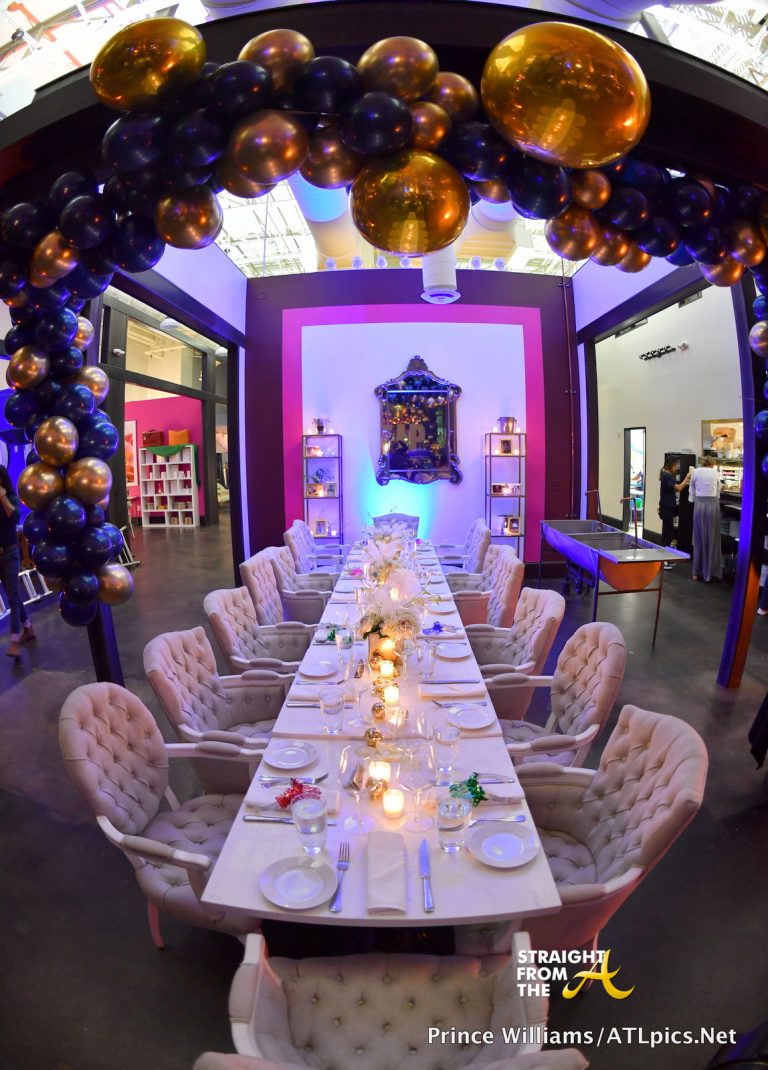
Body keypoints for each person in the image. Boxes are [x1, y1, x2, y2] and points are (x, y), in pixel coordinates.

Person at [0, 465, 35, 658]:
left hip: (11, 553)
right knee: (11, 594)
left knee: (13, 595)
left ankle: (14, 640)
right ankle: (28, 628)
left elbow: (14, 517)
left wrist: (2, 497)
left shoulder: (11, 498)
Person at [688, 456, 722, 582]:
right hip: (713, 506)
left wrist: (694, 499)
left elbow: (692, 491)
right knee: (712, 538)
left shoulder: (695, 472)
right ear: (712, 464)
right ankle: (710, 572)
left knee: (698, 537)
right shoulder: (715, 473)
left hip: (699, 505)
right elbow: (718, 491)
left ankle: (696, 572)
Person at [658, 459, 690, 568]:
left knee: (666, 533)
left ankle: (664, 558)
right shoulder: (668, 476)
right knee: (670, 533)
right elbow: (679, 488)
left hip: (666, 506)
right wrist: (687, 478)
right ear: (671, 466)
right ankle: (663, 560)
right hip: (667, 507)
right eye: (676, 465)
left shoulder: (665, 475)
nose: (678, 467)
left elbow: (674, 489)